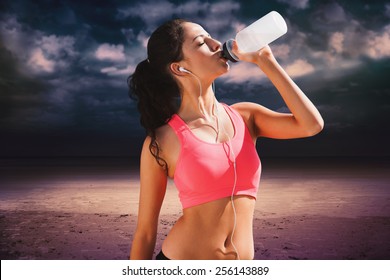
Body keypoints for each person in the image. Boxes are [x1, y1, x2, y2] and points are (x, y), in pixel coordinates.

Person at [128, 18, 323, 260]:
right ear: (179, 68)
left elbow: (311, 125)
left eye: (211, 36)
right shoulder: (161, 141)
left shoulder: (246, 117)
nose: (216, 43)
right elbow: (146, 233)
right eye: (202, 42)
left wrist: (266, 61)